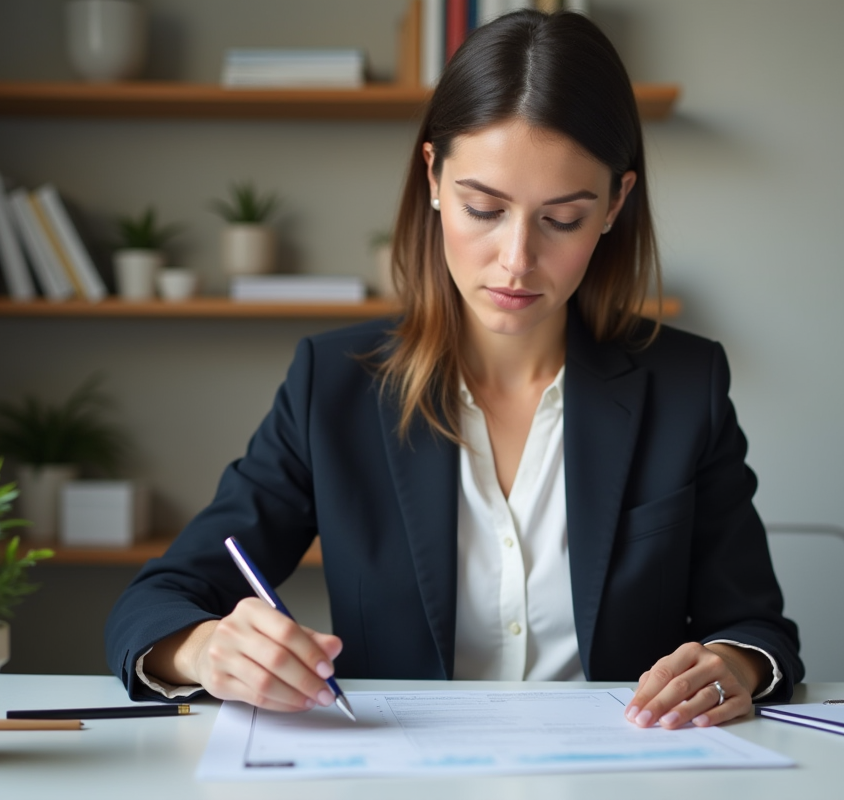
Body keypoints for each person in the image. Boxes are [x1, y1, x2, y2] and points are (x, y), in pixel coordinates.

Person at [105, 9, 802, 732]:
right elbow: (156, 601)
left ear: (615, 204)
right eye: (483, 209)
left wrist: (733, 664)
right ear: (434, 176)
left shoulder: (686, 386)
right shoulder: (334, 385)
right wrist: (204, 648)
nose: (516, 260)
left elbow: (756, 628)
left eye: (561, 219)